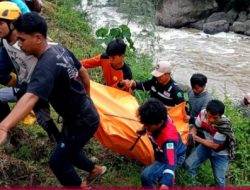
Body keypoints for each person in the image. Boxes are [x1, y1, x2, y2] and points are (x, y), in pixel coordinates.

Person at [0, 12, 106, 186]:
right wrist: (87, 98)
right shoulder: (59, 48)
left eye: (22, 40)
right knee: (67, 150)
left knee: (57, 161)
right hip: (79, 115)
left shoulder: (45, 66)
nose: (19, 44)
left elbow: (31, 96)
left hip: (83, 121)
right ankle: (95, 170)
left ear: (38, 38)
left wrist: (4, 125)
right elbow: (83, 73)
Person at [0, 1, 60, 143]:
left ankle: (60, 145)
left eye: (0, 24)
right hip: (24, 87)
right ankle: (13, 135)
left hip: (38, 88)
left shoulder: (29, 43)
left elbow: (52, 53)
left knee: (44, 120)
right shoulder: (5, 42)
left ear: (13, 23)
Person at [137, 98, 186, 188]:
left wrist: (166, 183)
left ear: (160, 123)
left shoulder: (168, 140)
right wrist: (144, 129)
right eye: (145, 124)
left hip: (175, 156)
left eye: (148, 125)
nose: (146, 126)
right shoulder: (159, 116)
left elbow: (171, 161)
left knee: (147, 176)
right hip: (161, 153)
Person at [185, 100, 236, 187]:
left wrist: (196, 138)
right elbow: (195, 128)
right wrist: (192, 134)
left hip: (221, 153)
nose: (211, 120)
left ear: (220, 116)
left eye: (215, 118)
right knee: (188, 165)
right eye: (210, 116)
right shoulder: (202, 114)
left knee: (219, 180)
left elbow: (215, 146)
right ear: (206, 112)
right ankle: (191, 185)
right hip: (206, 146)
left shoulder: (224, 125)